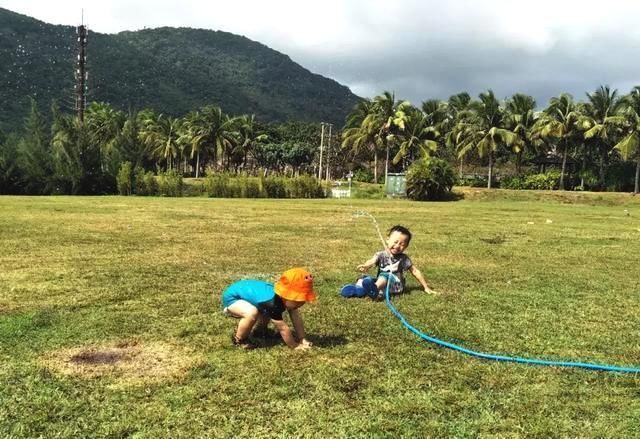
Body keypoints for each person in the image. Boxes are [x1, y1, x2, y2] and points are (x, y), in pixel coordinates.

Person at [221, 267, 317, 350]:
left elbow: (296, 319)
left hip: (248, 293)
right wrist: (294, 345)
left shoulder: (284, 300)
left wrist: (302, 338)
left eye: (303, 300)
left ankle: (259, 331)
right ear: (286, 295)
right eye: (297, 299)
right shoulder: (272, 303)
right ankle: (239, 339)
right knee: (251, 313)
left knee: (266, 310)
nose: (300, 303)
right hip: (233, 298)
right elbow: (282, 328)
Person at [341, 225, 437, 299]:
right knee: (363, 278)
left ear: (406, 247)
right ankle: (358, 290)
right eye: (395, 242)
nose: (398, 246)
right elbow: (372, 260)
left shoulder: (403, 259)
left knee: (385, 276)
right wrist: (367, 265)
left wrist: (425, 287)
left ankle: (374, 290)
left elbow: (415, 271)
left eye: (402, 244)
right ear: (387, 240)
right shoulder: (381, 254)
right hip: (382, 284)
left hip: (395, 285)